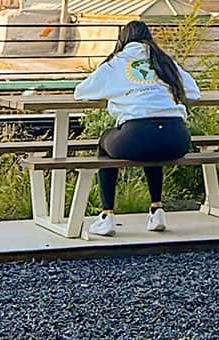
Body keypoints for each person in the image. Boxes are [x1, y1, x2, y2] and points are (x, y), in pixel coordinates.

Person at [74, 19, 199, 236]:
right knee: (154, 145)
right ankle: (157, 210)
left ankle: (107, 215)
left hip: (137, 136)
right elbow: (194, 92)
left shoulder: (116, 63)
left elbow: (81, 92)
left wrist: (119, 94)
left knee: (106, 141)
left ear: (123, 39)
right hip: (176, 138)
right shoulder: (163, 61)